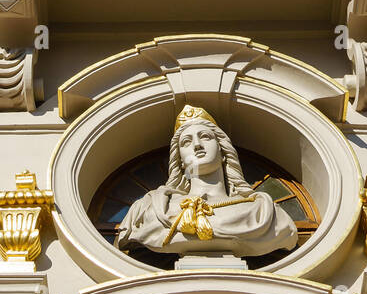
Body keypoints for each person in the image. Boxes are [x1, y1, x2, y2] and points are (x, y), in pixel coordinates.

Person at [116, 105, 298, 257]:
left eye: (205, 137)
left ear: (223, 151)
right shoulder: (150, 209)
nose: (197, 145)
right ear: (179, 160)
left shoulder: (262, 211)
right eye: (186, 142)